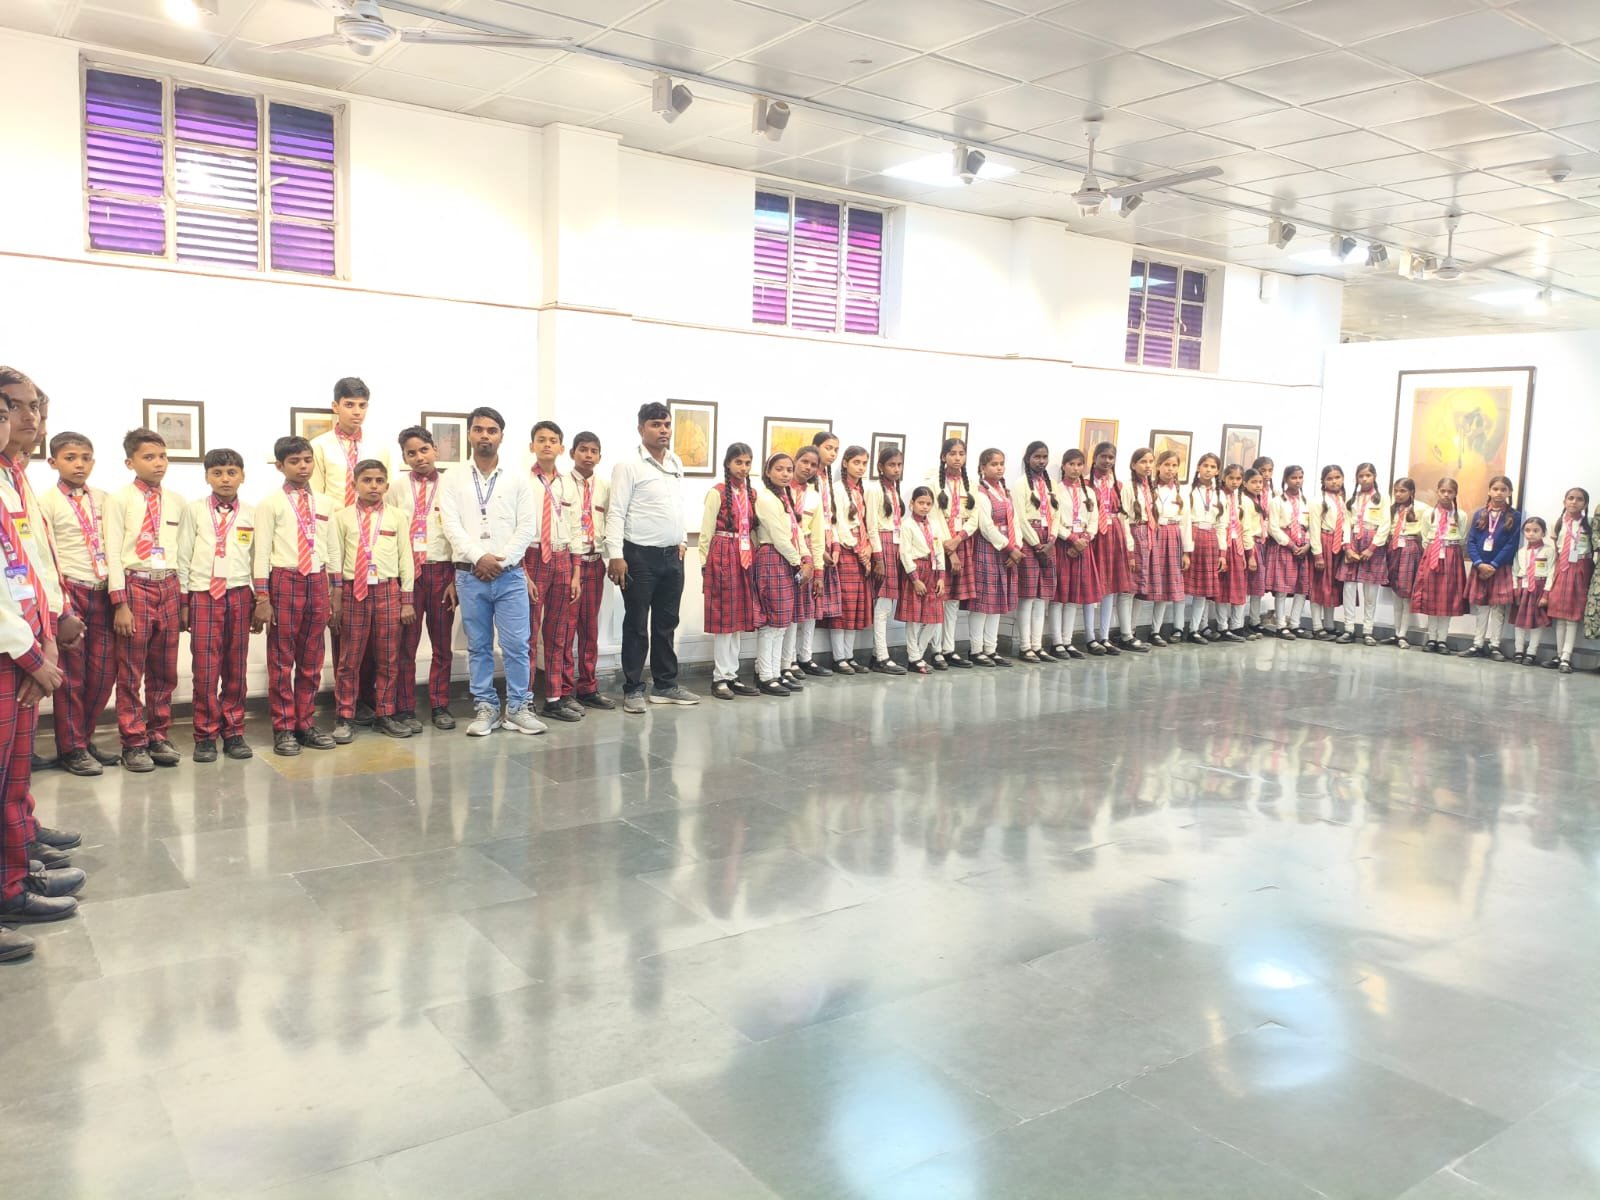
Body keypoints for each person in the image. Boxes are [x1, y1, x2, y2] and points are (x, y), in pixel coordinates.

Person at [0, 396, 79, 943]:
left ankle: (14, 870)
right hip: (13, 644)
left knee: (12, 776)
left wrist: (48, 630)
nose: (26, 420)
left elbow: (29, 564)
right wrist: (31, 652)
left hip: (27, 635)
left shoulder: (15, 475)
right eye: (16, 408)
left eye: (32, 410)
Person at [438, 406, 544, 736]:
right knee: (479, 646)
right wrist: (479, 557)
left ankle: (518, 708)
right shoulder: (452, 477)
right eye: (479, 429)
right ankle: (485, 707)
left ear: (501, 436)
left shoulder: (517, 478)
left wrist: (500, 561)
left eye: (492, 430)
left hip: (509, 575)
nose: (485, 435)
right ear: (470, 434)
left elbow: (527, 526)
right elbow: (451, 525)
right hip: (470, 576)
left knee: (517, 645)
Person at [605, 402, 698, 713]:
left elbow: (677, 505)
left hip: (672, 557)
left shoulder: (675, 462)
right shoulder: (628, 465)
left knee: (666, 622)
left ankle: (665, 685)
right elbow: (616, 512)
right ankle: (633, 689)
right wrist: (615, 555)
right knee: (636, 624)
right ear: (641, 428)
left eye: (667, 424)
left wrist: (682, 539)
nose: (663, 430)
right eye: (656, 424)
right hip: (638, 556)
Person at [38, 432, 119, 776]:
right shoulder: (45, 502)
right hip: (71, 591)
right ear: (53, 462)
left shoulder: (105, 499)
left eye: (85, 458)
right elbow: (47, 557)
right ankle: (71, 748)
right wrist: (61, 606)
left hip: (104, 591)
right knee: (71, 676)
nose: (79, 464)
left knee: (103, 674)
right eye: (70, 458)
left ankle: (84, 739)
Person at [252, 435, 337, 756]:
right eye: (294, 461)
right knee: (281, 659)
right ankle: (284, 727)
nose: (303, 467)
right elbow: (261, 552)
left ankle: (305, 722)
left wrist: (336, 589)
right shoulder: (270, 504)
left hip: (317, 580)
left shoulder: (325, 504)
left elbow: (331, 548)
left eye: (307, 460)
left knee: (312, 659)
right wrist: (262, 598)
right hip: (285, 579)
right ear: (280, 466)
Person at [309, 376, 387, 724]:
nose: (357, 411)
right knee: (342, 625)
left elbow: (383, 495)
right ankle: (345, 703)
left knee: (373, 633)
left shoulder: (378, 445)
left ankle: (367, 699)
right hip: (335, 538)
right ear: (335, 406)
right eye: (350, 405)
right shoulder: (320, 446)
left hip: (370, 541)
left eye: (362, 405)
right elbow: (316, 499)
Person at [104, 428, 183, 771]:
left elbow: (182, 551)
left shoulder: (177, 501)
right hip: (135, 585)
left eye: (162, 456)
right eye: (149, 457)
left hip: (169, 585)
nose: (158, 463)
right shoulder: (118, 500)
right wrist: (120, 602)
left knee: (164, 670)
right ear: (130, 462)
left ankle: (158, 734)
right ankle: (133, 741)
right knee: (131, 670)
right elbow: (111, 551)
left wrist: (183, 599)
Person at [175, 448, 256, 762]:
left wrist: (259, 599)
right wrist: (184, 601)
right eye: (217, 473)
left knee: (236, 666)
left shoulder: (251, 513)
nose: (225, 479)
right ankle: (205, 735)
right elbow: (183, 555)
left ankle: (234, 731)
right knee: (205, 669)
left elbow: (256, 558)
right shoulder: (194, 510)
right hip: (204, 593)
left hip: (239, 592)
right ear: (207, 476)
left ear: (243, 476)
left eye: (231, 472)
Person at [328, 460, 415, 742]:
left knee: (388, 657)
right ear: (355, 484)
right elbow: (335, 558)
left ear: (387, 486)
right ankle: (345, 715)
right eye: (367, 480)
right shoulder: (341, 518)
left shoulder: (397, 517)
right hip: (354, 591)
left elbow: (406, 558)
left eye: (379, 481)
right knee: (349, 658)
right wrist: (335, 598)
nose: (373, 486)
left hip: (388, 591)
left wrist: (407, 599)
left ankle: (385, 713)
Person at [391, 426, 456, 732]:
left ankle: (440, 704)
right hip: (409, 574)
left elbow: (459, 533)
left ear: (435, 450)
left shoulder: (451, 486)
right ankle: (405, 707)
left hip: (442, 572)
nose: (419, 457)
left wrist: (455, 578)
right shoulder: (396, 489)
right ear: (405, 457)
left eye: (424, 450)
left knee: (442, 645)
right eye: (411, 453)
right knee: (406, 645)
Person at [525, 421, 579, 724]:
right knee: (529, 634)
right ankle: (525, 699)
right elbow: (515, 527)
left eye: (553, 440)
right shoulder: (523, 482)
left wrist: (576, 572)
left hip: (562, 558)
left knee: (558, 632)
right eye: (541, 439)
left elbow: (576, 528)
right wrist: (523, 573)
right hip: (533, 557)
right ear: (532, 446)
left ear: (561, 447)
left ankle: (554, 698)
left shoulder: (567, 484)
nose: (547, 444)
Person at [699, 442, 761, 700]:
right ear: (727, 463)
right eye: (738, 462)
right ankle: (720, 678)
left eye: (747, 463)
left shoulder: (752, 493)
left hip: (744, 555)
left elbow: (753, 529)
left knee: (738, 619)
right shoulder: (717, 492)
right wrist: (704, 563)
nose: (743, 468)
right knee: (725, 620)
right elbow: (706, 531)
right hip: (723, 553)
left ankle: (732, 674)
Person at [561, 431, 614, 710]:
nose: (588, 455)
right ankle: (563, 690)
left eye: (594, 451)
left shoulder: (605, 487)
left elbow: (613, 522)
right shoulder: (561, 484)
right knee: (566, 629)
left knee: (589, 629)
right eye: (583, 449)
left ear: (600, 457)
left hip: (595, 563)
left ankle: (588, 688)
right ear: (572, 453)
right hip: (569, 564)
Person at [752, 452, 807, 697]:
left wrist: (806, 558)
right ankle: (765, 676)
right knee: (771, 622)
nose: (785, 474)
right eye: (779, 469)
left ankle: (775, 672)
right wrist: (798, 562)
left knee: (782, 622)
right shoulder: (765, 498)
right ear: (768, 472)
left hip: (787, 559)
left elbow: (797, 531)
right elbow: (778, 535)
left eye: (788, 469)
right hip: (773, 557)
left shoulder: (785, 497)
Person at [821, 443, 873, 673]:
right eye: (856, 462)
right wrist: (857, 548)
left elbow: (864, 522)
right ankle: (838, 657)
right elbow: (839, 523)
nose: (861, 467)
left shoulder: (861, 490)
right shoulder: (838, 489)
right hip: (846, 550)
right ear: (845, 463)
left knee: (854, 608)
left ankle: (849, 655)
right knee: (842, 607)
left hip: (860, 549)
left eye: (864, 463)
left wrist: (868, 547)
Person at [969, 448, 1022, 666]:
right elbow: (986, 527)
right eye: (993, 464)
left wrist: (1017, 546)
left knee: (998, 601)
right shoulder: (980, 492)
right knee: (983, 603)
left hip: (1007, 550)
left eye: (1001, 464)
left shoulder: (1004, 491)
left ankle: (991, 648)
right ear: (983, 467)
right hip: (988, 549)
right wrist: (1009, 548)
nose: (999, 468)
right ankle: (976, 649)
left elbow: (1014, 520)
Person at [1087, 442, 1139, 654]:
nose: (1107, 461)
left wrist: (1129, 548)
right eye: (1103, 456)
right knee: (1092, 587)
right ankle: (1090, 637)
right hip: (1094, 536)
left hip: (1114, 534)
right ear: (1095, 458)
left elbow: (1124, 518)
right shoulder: (1086, 484)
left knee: (1110, 588)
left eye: (1111, 457)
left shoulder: (1119, 485)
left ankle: (1105, 636)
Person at [1460, 475, 1519, 661]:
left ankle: (1495, 645)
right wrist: (1478, 563)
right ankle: (1477, 644)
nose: (1499, 493)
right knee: (1481, 607)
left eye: (1503, 489)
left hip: (1500, 568)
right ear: (1489, 491)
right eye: (1495, 489)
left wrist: (1494, 565)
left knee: (1498, 608)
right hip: (1480, 568)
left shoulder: (1514, 516)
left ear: (1509, 492)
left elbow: (1512, 544)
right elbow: (1471, 540)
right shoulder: (1480, 513)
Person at [930, 438, 977, 667]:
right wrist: (949, 549)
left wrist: (959, 539)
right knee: (940, 598)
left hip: (962, 542)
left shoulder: (971, 484)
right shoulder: (934, 484)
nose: (957, 458)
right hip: (941, 545)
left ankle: (949, 648)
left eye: (961, 453)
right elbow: (935, 518)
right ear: (943, 457)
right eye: (952, 453)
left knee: (954, 601)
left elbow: (975, 517)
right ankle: (935, 650)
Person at [1138, 449, 1191, 647]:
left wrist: (1186, 552)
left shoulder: (1181, 492)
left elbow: (1186, 523)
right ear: (1158, 466)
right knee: (1145, 584)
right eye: (1166, 464)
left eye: (1174, 465)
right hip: (1154, 535)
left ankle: (1155, 630)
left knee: (1164, 588)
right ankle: (1131, 630)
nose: (1170, 469)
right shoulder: (1149, 489)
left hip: (1173, 537)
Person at [1050, 448, 1099, 659]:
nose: (1075, 468)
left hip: (1083, 545)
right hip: (1063, 544)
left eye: (1079, 465)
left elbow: (1094, 520)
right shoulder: (1056, 490)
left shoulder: (1088, 492)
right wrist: (1071, 539)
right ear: (1063, 466)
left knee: (1073, 597)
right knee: (1058, 597)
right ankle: (1056, 642)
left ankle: (1067, 641)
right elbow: (1054, 519)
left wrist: (1085, 539)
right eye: (1071, 464)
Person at [1011, 440, 1057, 663]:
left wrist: (1052, 540)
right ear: (1028, 459)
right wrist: (1037, 544)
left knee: (1042, 598)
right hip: (1031, 541)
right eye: (1037, 457)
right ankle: (1025, 646)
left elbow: (1057, 514)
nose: (1041, 461)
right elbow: (1020, 517)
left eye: (1044, 457)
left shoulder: (1051, 484)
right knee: (1028, 597)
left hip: (1049, 541)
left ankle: (1037, 645)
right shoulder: (1020, 484)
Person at [1413, 476, 1471, 653]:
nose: (1446, 495)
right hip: (1432, 554)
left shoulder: (1461, 515)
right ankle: (1431, 638)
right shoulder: (1429, 514)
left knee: (1447, 599)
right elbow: (1425, 537)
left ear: (1455, 494)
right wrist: (1433, 551)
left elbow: (1462, 537)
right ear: (1437, 492)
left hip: (1451, 555)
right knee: (1431, 598)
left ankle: (1442, 640)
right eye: (1443, 491)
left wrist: (1448, 548)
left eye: (1450, 492)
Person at [865, 443, 907, 676]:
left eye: (899, 464)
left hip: (896, 544)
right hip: (882, 545)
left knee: (888, 604)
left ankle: (877, 653)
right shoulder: (874, 489)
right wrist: (878, 558)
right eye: (891, 465)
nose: (896, 469)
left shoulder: (894, 489)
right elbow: (871, 525)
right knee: (881, 605)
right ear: (880, 467)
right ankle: (881, 656)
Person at [1542, 487, 1592, 675]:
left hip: (1581, 568)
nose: (1574, 502)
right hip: (1562, 569)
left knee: (1572, 615)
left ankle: (1566, 656)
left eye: (1579, 499)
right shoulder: (1558, 523)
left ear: (1585, 504)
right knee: (1560, 615)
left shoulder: (1589, 523)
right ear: (1564, 501)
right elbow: (1556, 550)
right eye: (1570, 498)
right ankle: (1558, 655)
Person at [1338, 463, 1389, 647]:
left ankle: (1368, 630)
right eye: (1361, 476)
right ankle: (1349, 628)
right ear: (1357, 478)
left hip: (1372, 543)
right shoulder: (1353, 499)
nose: (1365, 479)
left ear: (1374, 476)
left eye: (1368, 475)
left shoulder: (1383, 498)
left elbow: (1385, 524)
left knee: (1370, 590)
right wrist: (1347, 547)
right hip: (1353, 541)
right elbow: (1345, 523)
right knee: (1349, 587)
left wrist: (1372, 548)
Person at [897, 485, 946, 674]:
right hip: (916, 571)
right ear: (912, 503)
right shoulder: (907, 525)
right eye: (921, 503)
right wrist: (915, 579)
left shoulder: (933, 524)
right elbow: (905, 554)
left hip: (933, 571)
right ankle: (914, 657)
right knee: (914, 619)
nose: (924, 507)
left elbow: (939, 550)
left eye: (928, 503)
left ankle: (919, 653)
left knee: (934, 618)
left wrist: (941, 576)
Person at [1266, 465, 1313, 640]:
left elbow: (1311, 525)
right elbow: (1273, 527)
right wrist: (1291, 545)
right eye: (1294, 477)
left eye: (1300, 477)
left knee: (1302, 587)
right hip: (1285, 546)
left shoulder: (1307, 501)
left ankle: (1295, 623)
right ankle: (1281, 625)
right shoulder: (1277, 501)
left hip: (1303, 546)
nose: (1297, 481)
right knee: (1282, 588)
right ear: (1286, 479)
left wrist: (1307, 544)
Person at [1215, 462, 1258, 642]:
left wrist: (1250, 554)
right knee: (1222, 588)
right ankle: (1222, 627)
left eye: (1238, 479)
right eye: (1231, 478)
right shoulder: (1218, 496)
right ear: (1223, 477)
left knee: (1240, 587)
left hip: (1238, 545)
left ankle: (1237, 625)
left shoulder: (1244, 501)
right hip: (1222, 544)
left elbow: (1246, 528)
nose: (1234, 482)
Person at [1183, 452, 1222, 644]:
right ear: (1198, 467)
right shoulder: (1188, 491)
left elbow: (1222, 524)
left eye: (1213, 467)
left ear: (1217, 471)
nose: (1208, 470)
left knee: (1203, 590)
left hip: (1211, 538)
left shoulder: (1219, 494)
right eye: (1205, 465)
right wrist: (1186, 549)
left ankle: (1194, 629)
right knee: (1183, 585)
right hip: (1193, 535)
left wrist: (1223, 553)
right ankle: (1178, 627)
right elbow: (1185, 519)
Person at [1384, 477, 1427, 650]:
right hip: (1394, 548)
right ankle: (1396, 632)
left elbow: (1427, 530)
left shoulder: (1422, 509)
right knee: (1395, 593)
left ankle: (1403, 633)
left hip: (1410, 548)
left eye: (1402, 491)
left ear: (1411, 492)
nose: (1398, 494)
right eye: (1396, 491)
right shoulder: (1392, 509)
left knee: (1406, 594)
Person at [1308, 465, 1349, 641]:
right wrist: (1317, 554)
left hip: (1338, 545)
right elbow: (1314, 528)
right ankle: (1317, 626)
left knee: (1332, 587)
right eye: (1329, 479)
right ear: (1323, 481)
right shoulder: (1318, 501)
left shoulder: (1343, 500)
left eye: (1337, 477)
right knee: (1319, 586)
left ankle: (1329, 625)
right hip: (1324, 542)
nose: (1334, 482)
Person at [1510, 517, 1552, 666]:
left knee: (1537, 622)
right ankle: (1518, 650)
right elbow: (1515, 571)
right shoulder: (1520, 552)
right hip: (1523, 588)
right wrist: (1515, 589)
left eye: (1536, 530)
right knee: (1519, 623)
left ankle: (1531, 653)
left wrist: (1546, 594)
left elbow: (1552, 573)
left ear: (1543, 532)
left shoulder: (1548, 551)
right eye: (1527, 530)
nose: (1531, 534)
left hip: (1539, 588)